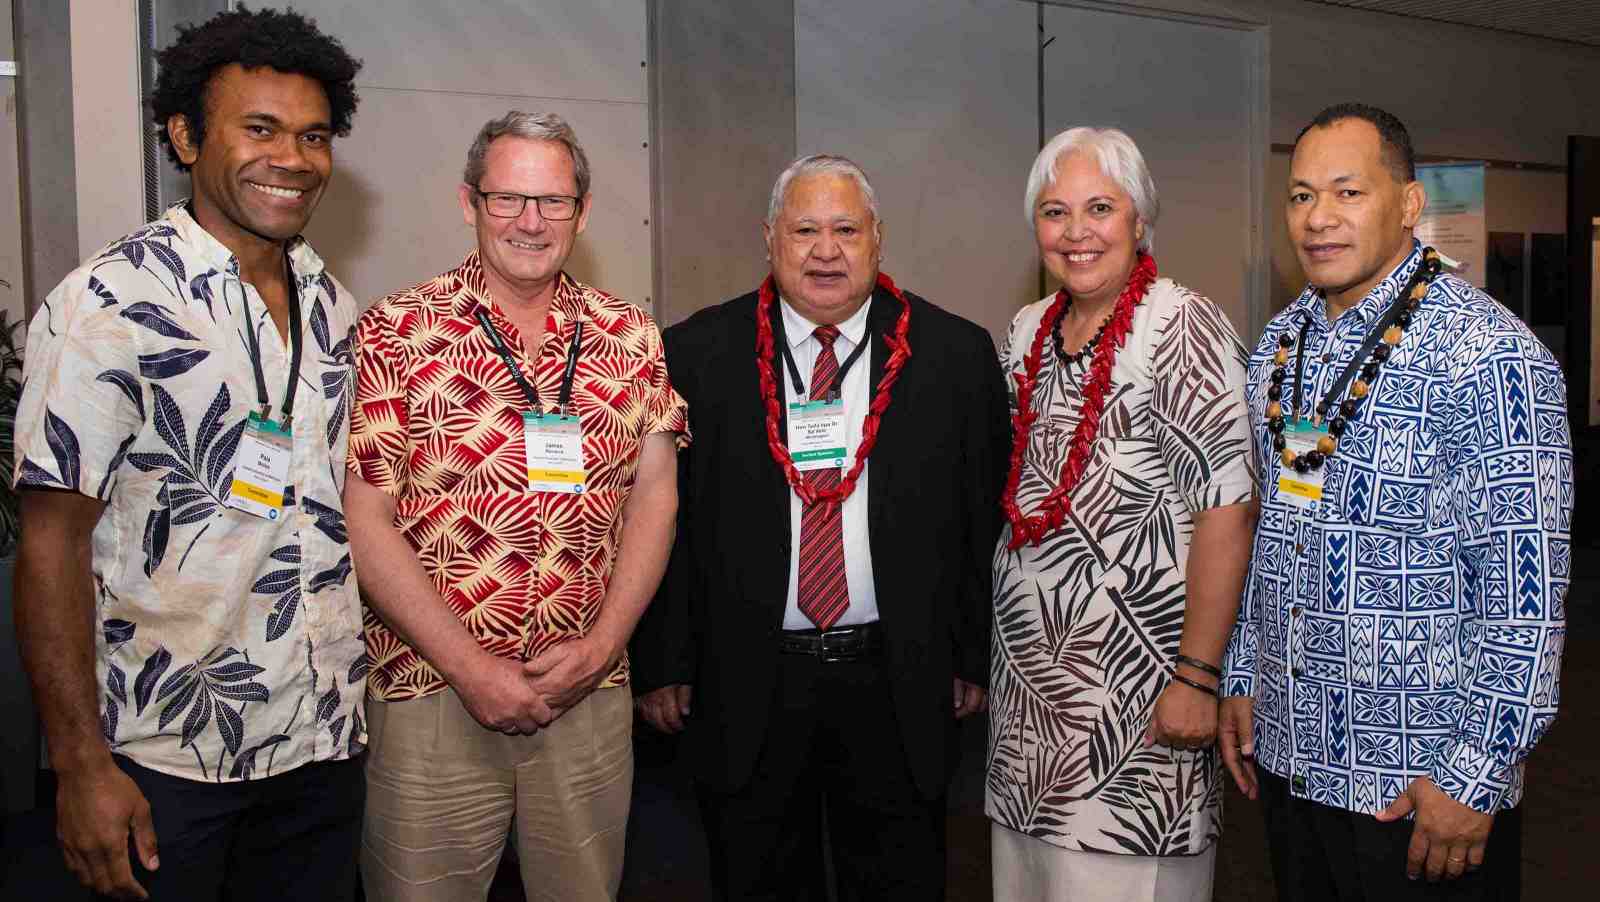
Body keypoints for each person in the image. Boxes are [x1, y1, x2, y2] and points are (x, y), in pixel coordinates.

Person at [9, 8, 364, 901]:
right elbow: (48, 544)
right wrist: (80, 768)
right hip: (169, 757)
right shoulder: (108, 304)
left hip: (322, 742)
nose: (292, 157)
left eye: (313, 135)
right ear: (182, 135)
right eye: (259, 129)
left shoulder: (334, 305)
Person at [630, 154, 1009, 901]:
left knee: (898, 879)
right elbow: (663, 520)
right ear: (769, 238)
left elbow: (978, 518)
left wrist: (970, 652)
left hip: (898, 676)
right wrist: (664, 660)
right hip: (747, 680)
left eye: (845, 229)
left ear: (878, 239)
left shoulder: (953, 355)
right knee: (759, 877)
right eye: (804, 229)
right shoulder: (696, 354)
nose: (825, 250)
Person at [1220, 103, 1572, 901]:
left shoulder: (1492, 358)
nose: (1318, 219)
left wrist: (1476, 775)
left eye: (1348, 192)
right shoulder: (1278, 346)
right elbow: (1271, 534)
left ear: (1410, 205)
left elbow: (1528, 597)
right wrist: (1243, 674)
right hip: (1294, 753)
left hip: (1416, 783)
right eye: (1301, 196)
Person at [345, 110, 685, 901]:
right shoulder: (396, 332)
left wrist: (601, 649)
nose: (530, 222)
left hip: (586, 697)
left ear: (583, 213)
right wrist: (472, 669)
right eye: (507, 199)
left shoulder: (630, 337)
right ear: (469, 203)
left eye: (554, 202)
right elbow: (365, 518)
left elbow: (656, 501)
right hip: (431, 693)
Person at [984, 127, 1256, 900]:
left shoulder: (1183, 327)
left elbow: (1227, 511)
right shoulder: (1028, 329)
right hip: (1030, 703)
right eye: (1054, 210)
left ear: (1141, 219)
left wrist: (1197, 677)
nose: (1076, 232)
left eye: (1100, 207)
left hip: (1138, 705)